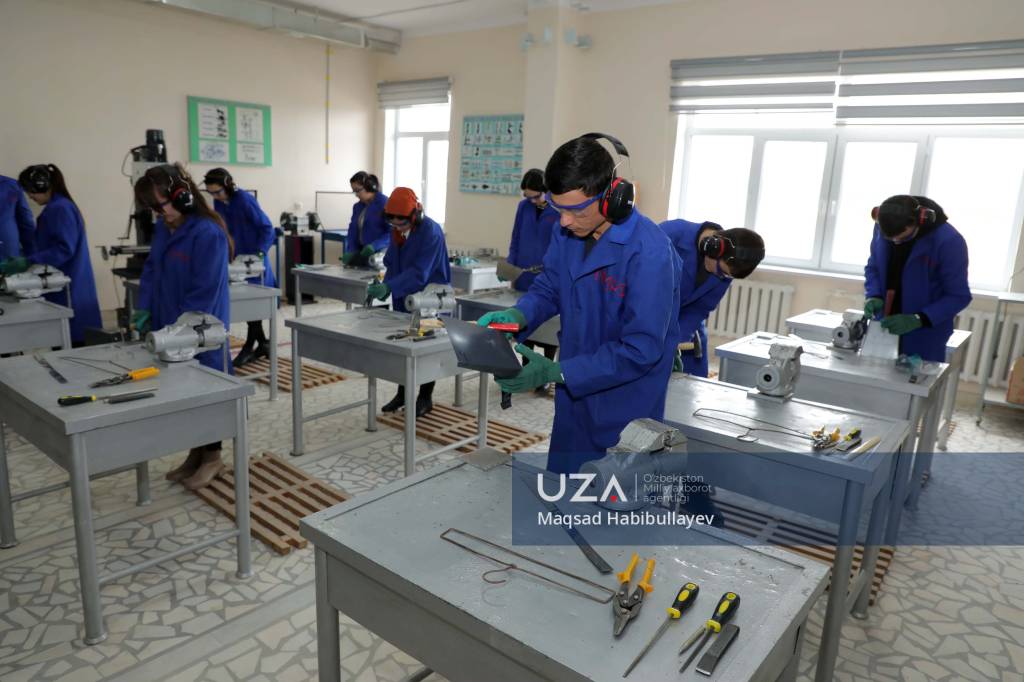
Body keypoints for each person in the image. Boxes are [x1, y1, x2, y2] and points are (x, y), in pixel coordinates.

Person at [477, 134, 682, 474]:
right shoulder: (567, 233)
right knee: (563, 486)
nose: (564, 221)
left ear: (612, 198)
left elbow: (641, 349)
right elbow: (549, 287)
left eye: (576, 210)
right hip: (574, 397)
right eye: (558, 209)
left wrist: (557, 371)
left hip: (625, 405)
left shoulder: (650, 253)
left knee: (611, 497)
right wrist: (518, 315)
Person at [134, 163, 234, 490]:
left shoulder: (208, 233)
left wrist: (176, 332)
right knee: (185, 394)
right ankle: (196, 453)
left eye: (160, 205)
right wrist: (144, 307)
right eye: (151, 208)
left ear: (181, 196)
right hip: (169, 326)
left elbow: (203, 293)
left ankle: (213, 457)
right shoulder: (166, 228)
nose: (157, 213)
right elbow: (152, 269)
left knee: (208, 392)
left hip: (199, 329)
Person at [365, 187, 451, 417]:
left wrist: (390, 286)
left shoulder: (431, 231)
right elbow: (392, 261)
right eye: (393, 223)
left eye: (401, 223)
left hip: (430, 296)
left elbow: (420, 272)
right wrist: (384, 283)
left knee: (426, 346)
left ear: (415, 215)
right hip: (404, 294)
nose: (398, 227)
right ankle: (402, 393)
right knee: (404, 344)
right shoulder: (398, 231)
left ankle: (425, 397)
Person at [864, 195, 971, 362]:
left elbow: (958, 296)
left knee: (916, 378)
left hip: (924, 336)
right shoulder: (884, 226)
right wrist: (874, 295)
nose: (896, 242)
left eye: (902, 237)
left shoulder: (948, 242)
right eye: (889, 239)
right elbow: (874, 267)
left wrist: (919, 319)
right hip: (884, 328)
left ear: (920, 220)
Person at [3, 165, 101, 346]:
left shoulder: (60, 209)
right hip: (63, 285)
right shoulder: (58, 207)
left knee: (73, 345)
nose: (30, 196)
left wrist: (28, 261)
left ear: (41, 185)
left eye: (30, 191)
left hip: (69, 287)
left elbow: (64, 249)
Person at [660, 219, 765, 376]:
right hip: (649, 315)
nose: (721, 276)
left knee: (693, 383)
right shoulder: (671, 234)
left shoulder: (727, 268)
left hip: (686, 326)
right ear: (712, 248)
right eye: (721, 271)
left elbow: (700, 308)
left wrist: (677, 339)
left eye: (726, 275)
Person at [203, 168, 276, 368]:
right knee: (247, 307)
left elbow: (267, 228)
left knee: (254, 306)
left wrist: (259, 252)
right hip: (237, 261)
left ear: (228, 185)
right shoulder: (219, 202)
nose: (215, 196)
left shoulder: (244, 200)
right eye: (211, 193)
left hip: (254, 261)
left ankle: (250, 346)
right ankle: (262, 344)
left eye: (217, 192)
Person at [503, 168, 561, 389]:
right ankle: (527, 367)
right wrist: (511, 266)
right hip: (523, 273)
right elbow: (515, 237)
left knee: (547, 326)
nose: (533, 201)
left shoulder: (557, 210)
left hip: (546, 274)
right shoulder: (523, 207)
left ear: (546, 191)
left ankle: (544, 373)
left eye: (536, 196)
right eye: (528, 197)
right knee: (525, 324)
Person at [342, 171, 389, 267]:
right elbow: (353, 231)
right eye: (354, 191)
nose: (356, 195)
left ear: (369, 187)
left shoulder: (384, 203)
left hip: (381, 253)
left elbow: (393, 233)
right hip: (363, 253)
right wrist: (351, 251)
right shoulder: (357, 207)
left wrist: (374, 246)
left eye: (357, 190)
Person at [0, 174, 35, 260]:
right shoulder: (11, 185)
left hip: (7, 256)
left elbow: (26, 223)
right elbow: (26, 222)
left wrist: (33, 255)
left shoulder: (11, 185)